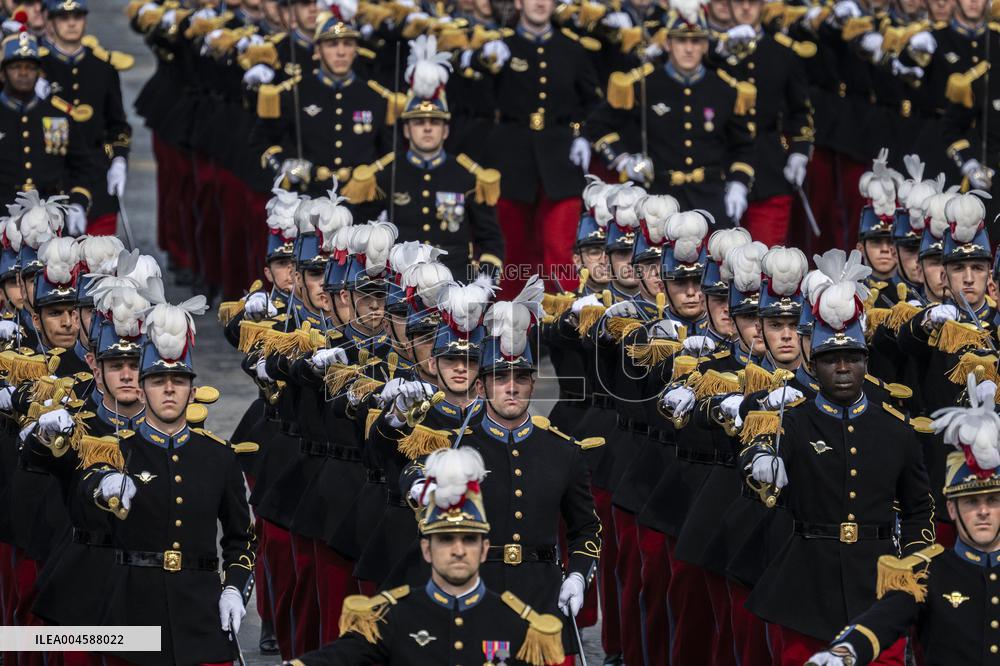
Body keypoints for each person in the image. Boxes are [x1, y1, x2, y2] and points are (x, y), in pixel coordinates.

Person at [739, 251, 935, 666]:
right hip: (805, 585)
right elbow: (759, 455)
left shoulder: (895, 429)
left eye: (852, 358)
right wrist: (760, 467)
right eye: (830, 359)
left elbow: (919, 509)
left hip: (879, 583)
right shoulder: (792, 422)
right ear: (814, 361)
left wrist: (910, 569)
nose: (842, 367)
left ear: (866, 360)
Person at [404, 275, 602, 660]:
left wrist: (579, 574)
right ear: (481, 388)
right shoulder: (456, 449)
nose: (511, 387)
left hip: (544, 603)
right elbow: (415, 479)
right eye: (499, 378)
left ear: (533, 383)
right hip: (478, 601)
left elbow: (586, 528)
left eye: (521, 378)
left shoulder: (563, 451)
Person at [79, 296, 257, 665]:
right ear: (142, 390)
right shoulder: (116, 450)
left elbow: (241, 539)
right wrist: (101, 488)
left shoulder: (219, 456)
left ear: (193, 391)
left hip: (202, 615)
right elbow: (82, 506)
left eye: (179, 380)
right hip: (133, 613)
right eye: (159, 380)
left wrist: (235, 590)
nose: (170, 389)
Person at [286, 447, 566, 666]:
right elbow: (336, 658)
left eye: (469, 539)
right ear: (426, 550)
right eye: (445, 539)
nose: (458, 550)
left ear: (483, 549)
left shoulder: (516, 624)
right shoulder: (393, 617)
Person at [806, 373, 1000, 665]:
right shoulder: (928, 575)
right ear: (951, 510)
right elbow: (883, 619)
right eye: (971, 502)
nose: (983, 511)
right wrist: (845, 651)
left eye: (993, 501)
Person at [470, 0, 602, 293]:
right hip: (511, 157)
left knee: (560, 249)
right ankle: (508, 323)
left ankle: (564, 323)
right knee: (513, 250)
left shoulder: (572, 48)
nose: (540, 3)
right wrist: (482, 61)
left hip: (561, 159)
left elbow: (593, 102)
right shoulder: (500, 47)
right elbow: (474, 98)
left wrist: (583, 134)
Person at [586, 0, 756, 226]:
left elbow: (743, 144)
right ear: (667, 43)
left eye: (696, 41)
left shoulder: (724, 88)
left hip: (711, 197)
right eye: (681, 40)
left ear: (706, 45)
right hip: (657, 199)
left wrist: (739, 184)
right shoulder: (644, 84)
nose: (688, 48)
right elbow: (597, 125)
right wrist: (624, 161)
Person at [353, 35, 505, 281]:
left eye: (434, 122)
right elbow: (359, 228)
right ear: (405, 129)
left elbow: (490, 239)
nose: (427, 128)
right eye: (418, 122)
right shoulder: (386, 172)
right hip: (400, 283)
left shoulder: (468, 176)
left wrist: (483, 283)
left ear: (446, 130)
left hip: (455, 282)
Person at [249, 11, 397, 198]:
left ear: (355, 50)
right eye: (332, 44)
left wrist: (373, 178)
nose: (341, 52)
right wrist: (287, 166)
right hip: (307, 198)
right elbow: (260, 141)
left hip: (360, 204)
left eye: (348, 44)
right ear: (317, 51)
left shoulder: (376, 96)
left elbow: (393, 154)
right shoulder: (293, 92)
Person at [712, 0, 814, 245]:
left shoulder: (782, 51)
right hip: (721, 167)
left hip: (769, 167)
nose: (746, 8)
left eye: (753, 2)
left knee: (767, 263)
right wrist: (718, 55)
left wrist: (799, 152)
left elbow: (801, 110)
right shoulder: (712, 52)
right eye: (739, 2)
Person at [41, 0, 132, 235]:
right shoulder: (39, 68)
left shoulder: (103, 67)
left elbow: (117, 124)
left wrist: (120, 160)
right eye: (63, 17)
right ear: (49, 22)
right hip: (54, 177)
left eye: (78, 17)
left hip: (97, 173)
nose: (72, 23)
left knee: (101, 258)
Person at [0, 33, 93, 233]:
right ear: (2, 74)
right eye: (16, 67)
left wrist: (78, 202)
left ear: (40, 73)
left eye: (30, 67)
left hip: (52, 221)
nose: (23, 73)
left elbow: (82, 166)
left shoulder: (58, 114)